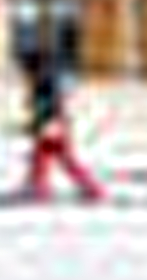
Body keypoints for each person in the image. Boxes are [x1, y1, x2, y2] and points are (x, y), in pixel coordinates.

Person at [19, 37, 106, 204]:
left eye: (28, 69)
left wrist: (37, 123)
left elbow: (48, 107)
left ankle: (92, 190)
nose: (26, 74)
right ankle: (39, 189)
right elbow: (44, 106)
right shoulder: (45, 81)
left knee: (59, 161)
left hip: (53, 129)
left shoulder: (44, 82)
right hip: (54, 127)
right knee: (43, 160)